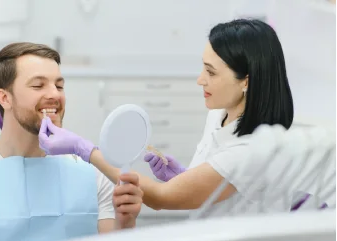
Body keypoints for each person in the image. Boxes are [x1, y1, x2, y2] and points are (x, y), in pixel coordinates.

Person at [37, 19, 300, 216]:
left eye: (211, 72)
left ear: (246, 82)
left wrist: (83, 148)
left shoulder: (253, 150)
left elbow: (161, 198)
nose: (200, 80)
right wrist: (185, 177)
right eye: (202, 67)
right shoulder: (220, 113)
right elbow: (221, 184)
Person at [0, 42, 143, 241]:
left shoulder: (95, 175)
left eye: (59, 86)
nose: (55, 95)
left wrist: (125, 224)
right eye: (38, 85)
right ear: (4, 98)